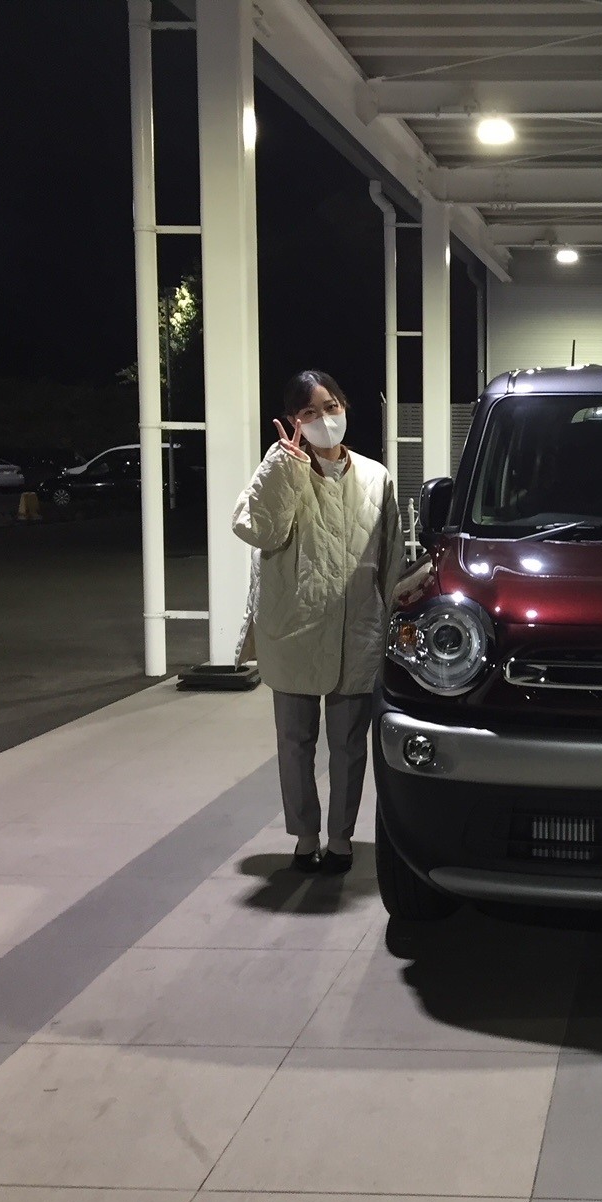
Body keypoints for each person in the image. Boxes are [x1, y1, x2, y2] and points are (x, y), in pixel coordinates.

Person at [233, 370, 403, 875]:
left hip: (357, 629)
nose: (324, 419)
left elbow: (392, 558)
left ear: (344, 406)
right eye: (309, 412)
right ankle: (306, 837)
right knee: (295, 743)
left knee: (349, 746)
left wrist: (395, 627)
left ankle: (341, 838)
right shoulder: (284, 467)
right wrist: (283, 466)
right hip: (294, 628)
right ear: (293, 420)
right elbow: (256, 529)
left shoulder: (376, 477)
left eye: (330, 407)